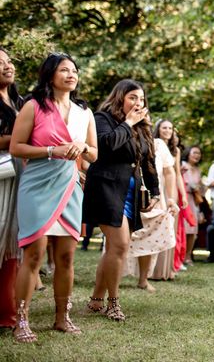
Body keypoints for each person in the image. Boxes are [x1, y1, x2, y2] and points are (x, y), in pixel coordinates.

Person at [11, 53, 97, 342]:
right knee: (33, 255)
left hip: (70, 188)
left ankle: (62, 317)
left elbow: (94, 154)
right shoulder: (33, 106)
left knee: (66, 257)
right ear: (50, 75)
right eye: (64, 70)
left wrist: (82, 146)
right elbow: (16, 147)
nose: (71, 75)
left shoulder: (84, 112)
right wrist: (52, 151)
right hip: (37, 187)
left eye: (74, 70)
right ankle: (21, 320)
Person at [83, 79, 160, 322]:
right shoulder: (102, 118)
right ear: (120, 98)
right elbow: (106, 146)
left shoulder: (142, 126)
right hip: (105, 187)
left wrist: (155, 191)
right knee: (120, 245)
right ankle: (113, 303)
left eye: (141, 99)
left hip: (130, 192)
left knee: (115, 248)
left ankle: (96, 298)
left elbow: (148, 160)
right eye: (132, 97)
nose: (138, 103)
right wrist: (128, 123)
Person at [124, 122, 178, 290]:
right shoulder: (124, 139)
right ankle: (112, 276)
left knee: (149, 238)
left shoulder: (159, 145)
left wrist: (171, 199)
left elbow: (169, 172)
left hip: (154, 198)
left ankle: (143, 280)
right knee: (121, 238)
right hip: (127, 196)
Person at [0, 49, 23, 330]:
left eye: (8, 61)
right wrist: (19, 138)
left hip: (18, 177)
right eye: (0, 63)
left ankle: (7, 313)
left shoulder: (18, 101)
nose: (7, 66)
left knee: (12, 243)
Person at [151, 119, 185, 280]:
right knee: (156, 226)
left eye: (170, 128)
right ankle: (152, 270)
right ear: (158, 129)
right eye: (164, 127)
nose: (167, 130)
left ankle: (167, 269)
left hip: (171, 191)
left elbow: (177, 173)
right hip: (157, 187)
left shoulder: (175, 150)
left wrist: (182, 194)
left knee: (170, 229)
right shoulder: (153, 144)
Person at [181, 145, 204, 265]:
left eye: (198, 153)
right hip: (183, 199)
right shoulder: (182, 165)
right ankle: (179, 255)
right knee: (183, 228)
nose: (197, 155)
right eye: (194, 153)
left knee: (193, 230)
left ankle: (188, 256)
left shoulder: (198, 170)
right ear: (188, 153)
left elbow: (200, 188)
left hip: (194, 200)